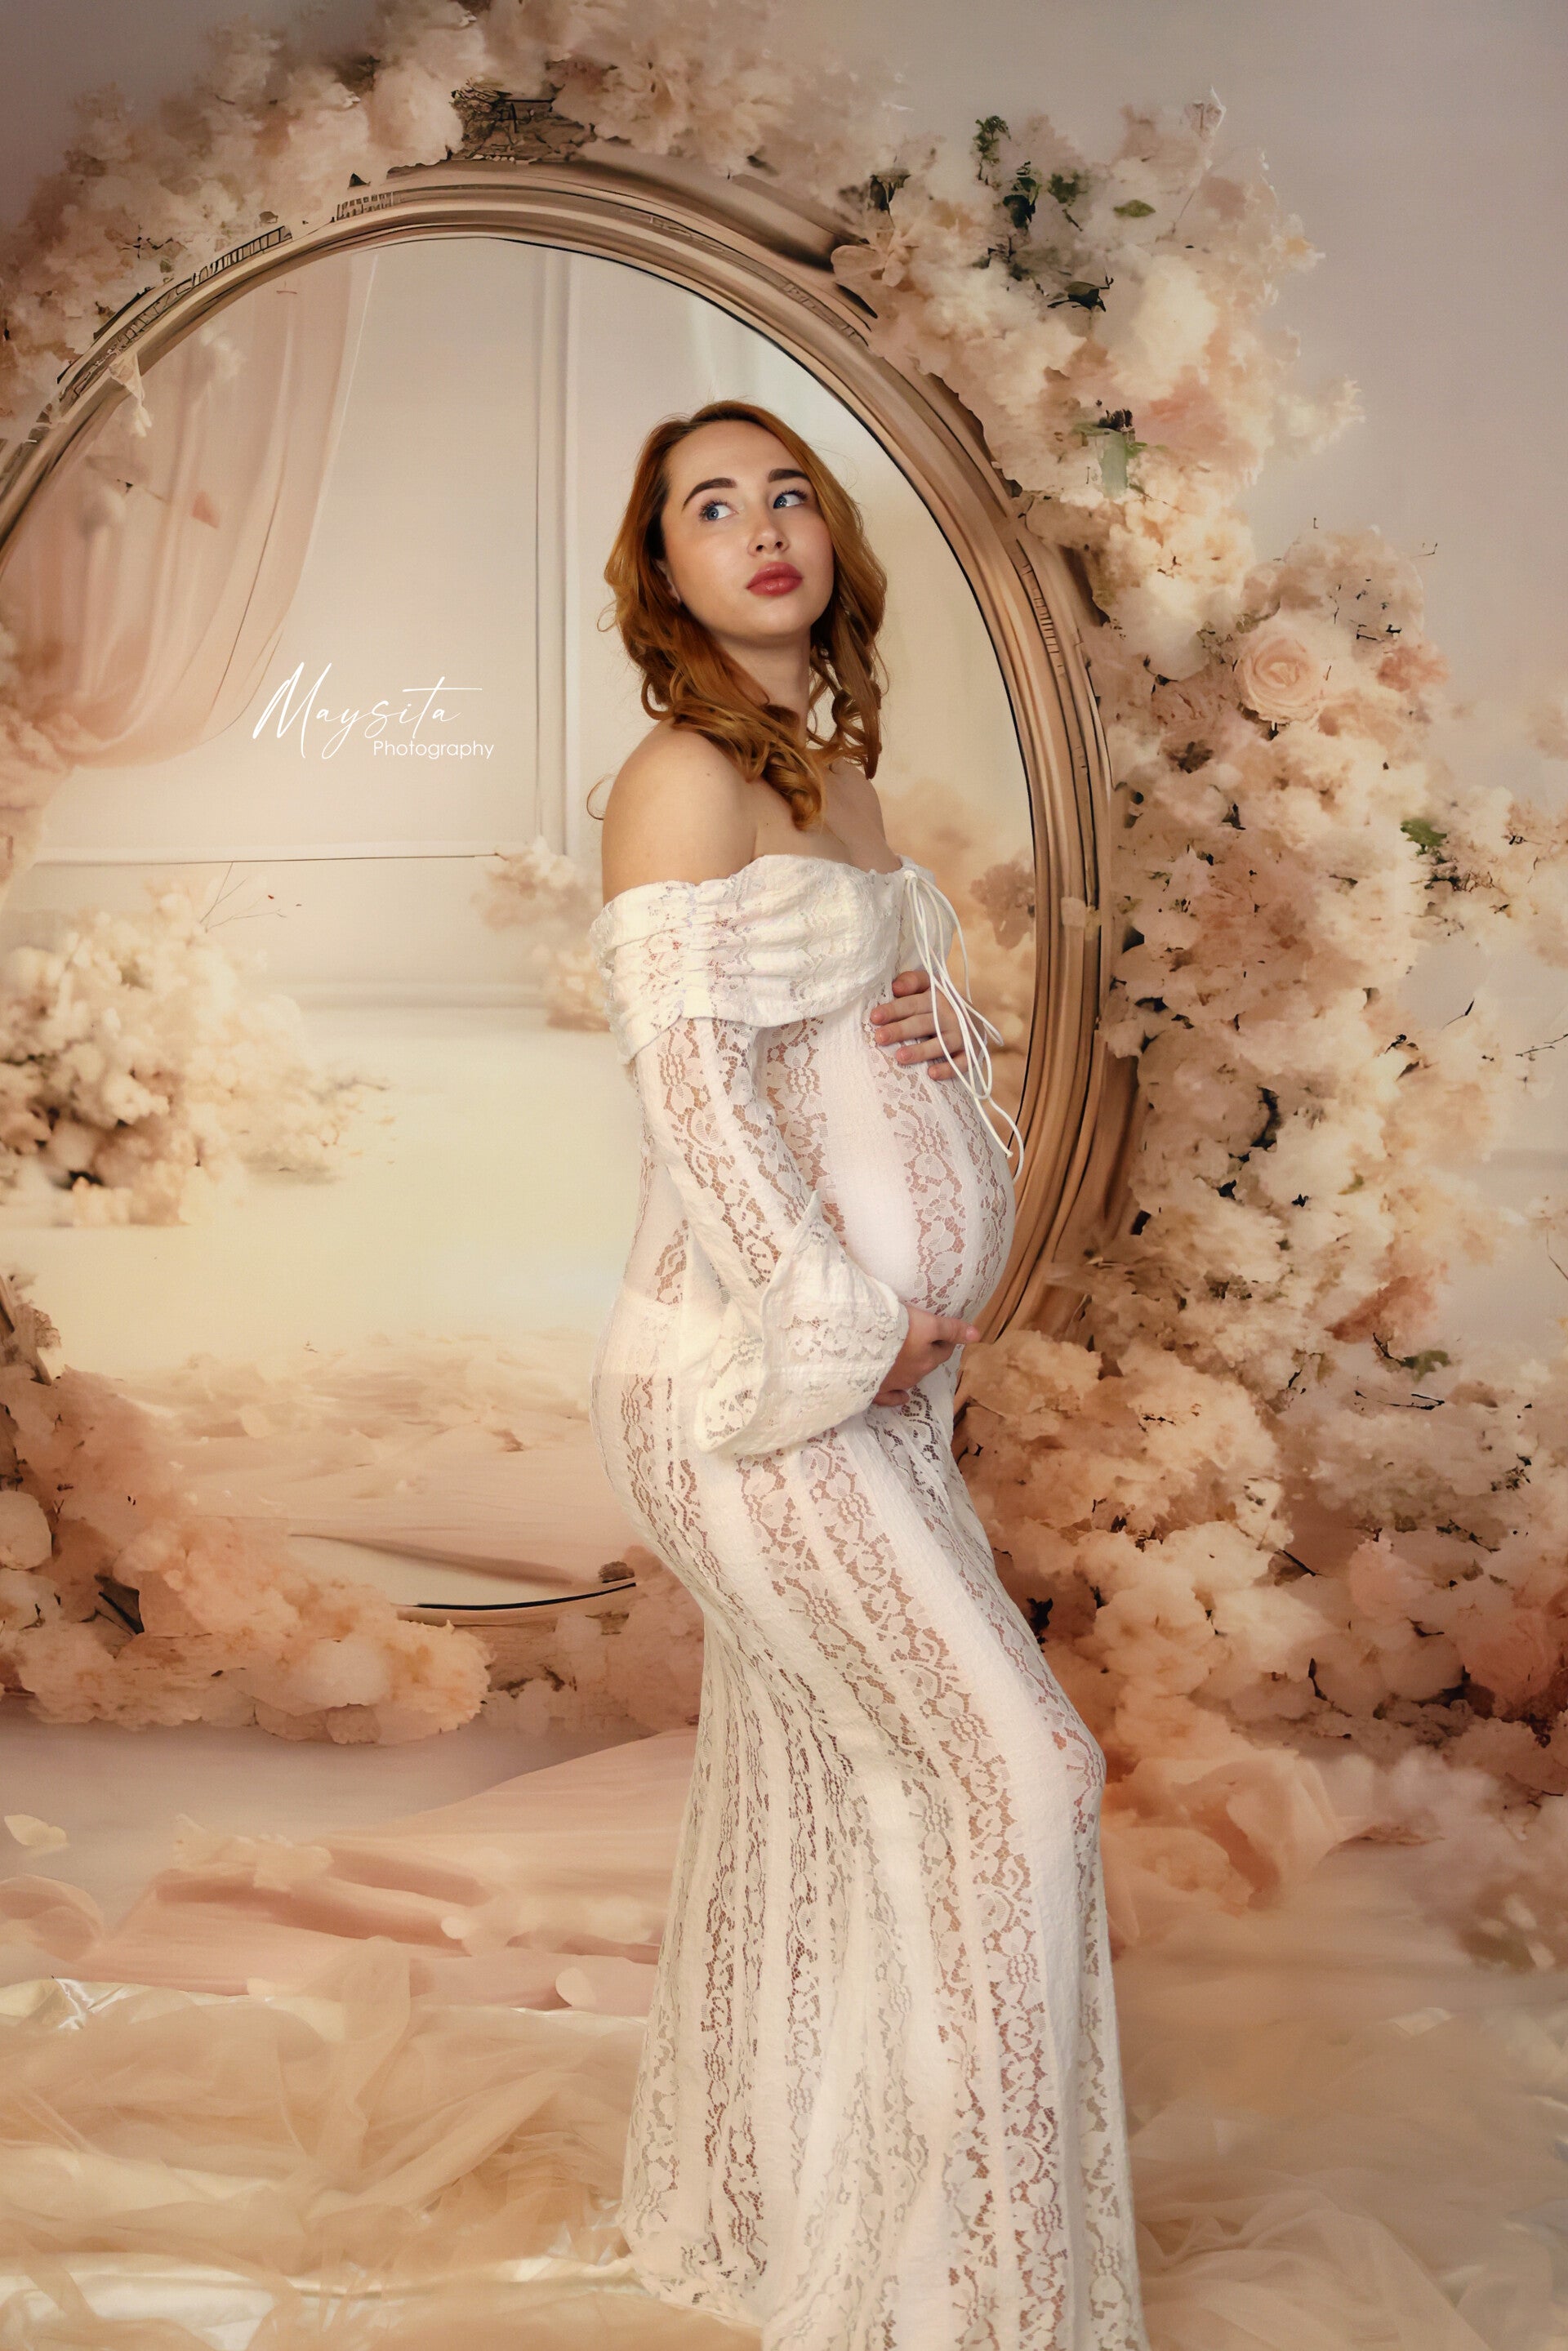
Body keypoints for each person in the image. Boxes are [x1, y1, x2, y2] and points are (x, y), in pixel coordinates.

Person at [587, 399, 1149, 2349]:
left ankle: (793, 2232)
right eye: (709, 507)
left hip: (875, 1387)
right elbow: (695, 1108)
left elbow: (844, 1051)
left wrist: (939, 1031)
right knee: (1020, 1773)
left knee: (828, 1801)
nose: (760, 526)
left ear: (830, 541)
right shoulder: (678, 777)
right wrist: (844, 1322)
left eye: (787, 495)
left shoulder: (834, 776)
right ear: (664, 575)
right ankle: (965, 2304)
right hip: (754, 1382)